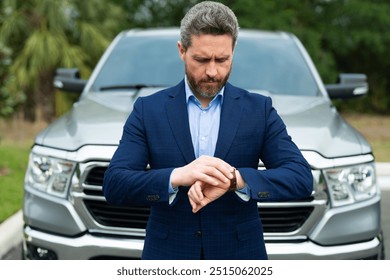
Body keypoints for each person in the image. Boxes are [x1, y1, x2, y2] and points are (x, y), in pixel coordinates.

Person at [103, 1, 313, 260]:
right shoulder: (148, 110)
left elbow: (300, 178)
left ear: (233, 51)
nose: (212, 71)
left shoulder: (260, 109)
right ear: (182, 51)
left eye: (222, 59)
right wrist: (178, 176)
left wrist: (234, 180)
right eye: (201, 60)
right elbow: (115, 184)